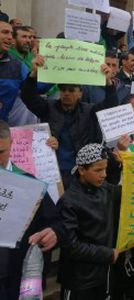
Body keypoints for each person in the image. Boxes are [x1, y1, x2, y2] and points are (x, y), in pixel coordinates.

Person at [21, 55, 117, 186]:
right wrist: (33, 75)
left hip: (80, 171)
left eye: (71, 90)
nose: (66, 93)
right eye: (63, 89)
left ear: (80, 93)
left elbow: (110, 106)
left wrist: (109, 83)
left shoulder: (89, 111)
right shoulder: (48, 107)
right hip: (52, 170)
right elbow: (28, 97)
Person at [0, 120, 65, 299]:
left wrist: (54, 232)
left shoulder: (28, 184)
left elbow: (56, 221)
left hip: (19, 278)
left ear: (11, 144)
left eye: (0, 152)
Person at [58, 143, 122, 300]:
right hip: (78, 281)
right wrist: (107, 254)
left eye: (105, 169)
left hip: (103, 276)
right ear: (81, 170)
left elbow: (130, 193)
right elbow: (72, 247)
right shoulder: (69, 201)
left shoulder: (106, 189)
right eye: (98, 170)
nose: (104, 175)